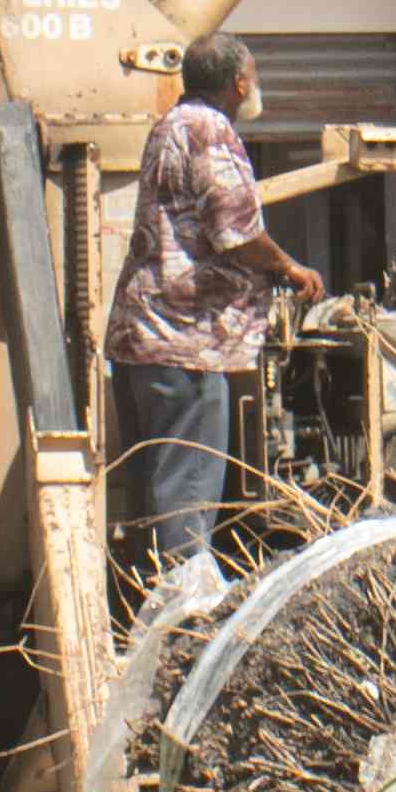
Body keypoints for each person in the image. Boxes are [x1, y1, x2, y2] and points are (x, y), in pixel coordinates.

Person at [102, 31, 319, 578]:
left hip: (143, 338)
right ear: (239, 83)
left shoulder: (169, 125)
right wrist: (290, 267)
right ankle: (185, 609)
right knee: (188, 495)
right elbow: (236, 231)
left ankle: (151, 601)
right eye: (254, 77)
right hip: (188, 342)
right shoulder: (210, 129)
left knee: (155, 495)